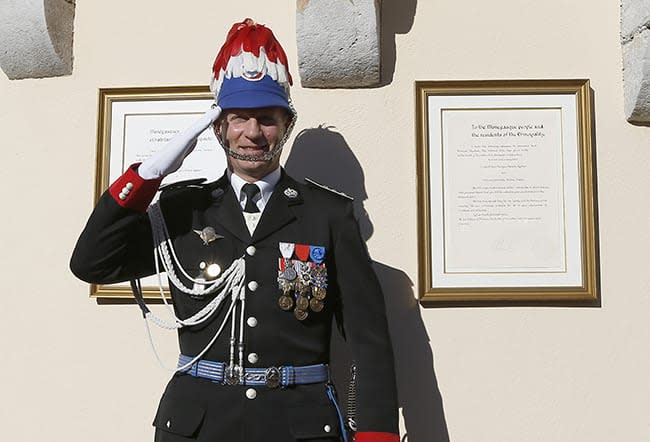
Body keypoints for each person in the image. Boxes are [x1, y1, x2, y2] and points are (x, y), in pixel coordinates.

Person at [71, 19, 399, 442]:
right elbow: (92, 262)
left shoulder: (328, 215)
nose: (252, 133)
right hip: (199, 425)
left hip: (298, 426)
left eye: (266, 119)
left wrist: (375, 433)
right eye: (239, 118)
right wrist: (147, 176)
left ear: (286, 125)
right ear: (219, 126)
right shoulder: (183, 210)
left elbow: (368, 339)